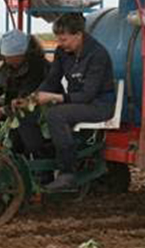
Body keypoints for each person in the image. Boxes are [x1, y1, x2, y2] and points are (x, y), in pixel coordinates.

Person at [34, 13, 115, 191]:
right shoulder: (63, 52)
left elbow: (87, 95)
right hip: (78, 102)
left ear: (79, 35)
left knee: (56, 115)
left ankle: (67, 173)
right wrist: (35, 96)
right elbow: (52, 80)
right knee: (36, 113)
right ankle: (42, 168)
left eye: (64, 39)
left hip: (99, 105)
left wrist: (54, 98)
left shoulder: (97, 54)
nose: (61, 44)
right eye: (58, 39)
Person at [0, 29, 50, 155]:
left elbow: (26, 101)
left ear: (20, 54)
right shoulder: (10, 65)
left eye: (8, 57)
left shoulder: (38, 67)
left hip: (38, 108)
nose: (5, 60)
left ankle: (28, 156)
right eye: (5, 57)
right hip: (15, 105)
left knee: (22, 120)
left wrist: (2, 111)